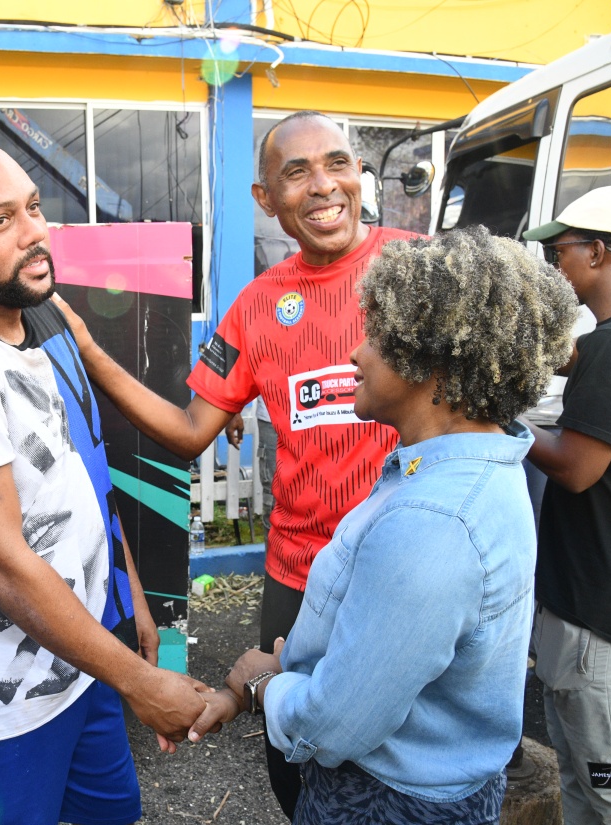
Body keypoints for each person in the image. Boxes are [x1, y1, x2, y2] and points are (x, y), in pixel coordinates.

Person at [54, 109, 415, 817]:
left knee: (398, 755)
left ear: (360, 174)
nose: (323, 185)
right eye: (297, 173)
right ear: (265, 199)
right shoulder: (256, 306)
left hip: (408, 565)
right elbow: (192, 430)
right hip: (300, 575)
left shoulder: (420, 269)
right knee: (294, 758)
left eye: (338, 163)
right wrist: (92, 355)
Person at [190, 226, 578, 824]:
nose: (355, 353)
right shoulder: (474, 468)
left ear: (434, 363)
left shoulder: (433, 523)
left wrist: (264, 685)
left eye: (377, 336)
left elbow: (336, 724)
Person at [0, 142, 208, 825]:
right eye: (0, 221)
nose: (33, 232)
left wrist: (129, 601)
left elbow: (78, 478)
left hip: (80, 667)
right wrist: (140, 681)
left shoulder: (37, 316)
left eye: (33, 208)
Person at [520, 184, 611, 824]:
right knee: (584, 788)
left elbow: (575, 469)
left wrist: (500, 421)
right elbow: (576, 364)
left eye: (561, 252)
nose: (555, 266)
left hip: (600, 621)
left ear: (599, 252)